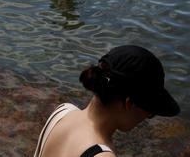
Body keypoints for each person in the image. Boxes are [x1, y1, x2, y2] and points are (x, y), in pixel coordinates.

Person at [34, 45, 180, 157]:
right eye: (150, 112)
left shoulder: (63, 112)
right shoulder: (101, 154)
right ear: (129, 103)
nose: (147, 118)